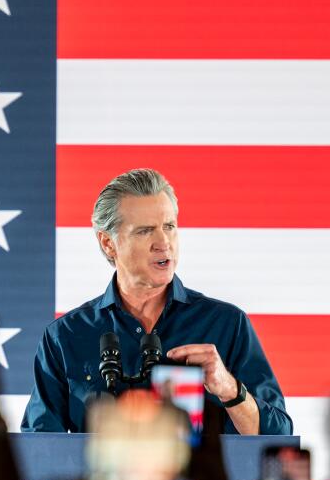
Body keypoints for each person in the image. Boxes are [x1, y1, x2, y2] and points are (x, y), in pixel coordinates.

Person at [22, 168, 292, 435]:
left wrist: (230, 389)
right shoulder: (65, 336)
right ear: (108, 243)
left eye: (169, 226)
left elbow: (278, 437)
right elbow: (38, 449)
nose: (163, 242)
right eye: (145, 231)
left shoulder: (227, 324)